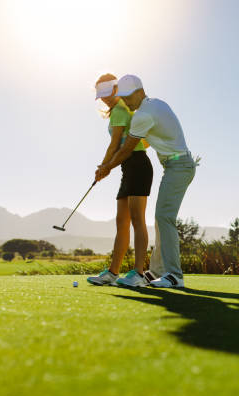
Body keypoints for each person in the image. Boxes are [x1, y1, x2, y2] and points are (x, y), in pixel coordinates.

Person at [95, 74, 197, 288]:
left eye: (128, 96)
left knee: (163, 217)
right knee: (161, 219)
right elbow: (148, 141)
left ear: (139, 92)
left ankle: (174, 275)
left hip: (179, 165)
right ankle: (157, 272)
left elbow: (125, 150)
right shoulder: (155, 105)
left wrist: (106, 168)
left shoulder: (142, 114)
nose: (126, 101)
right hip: (175, 165)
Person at [86, 74, 155, 287]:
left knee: (137, 220)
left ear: (116, 89)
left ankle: (138, 273)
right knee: (122, 223)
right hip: (128, 167)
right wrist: (105, 167)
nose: (104, 98)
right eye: (101, 95)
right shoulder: (121, 110)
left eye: (107, 93)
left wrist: (104, 166)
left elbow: (115, 144)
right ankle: (113, 273)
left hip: (138, 165)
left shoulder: (119, 110)